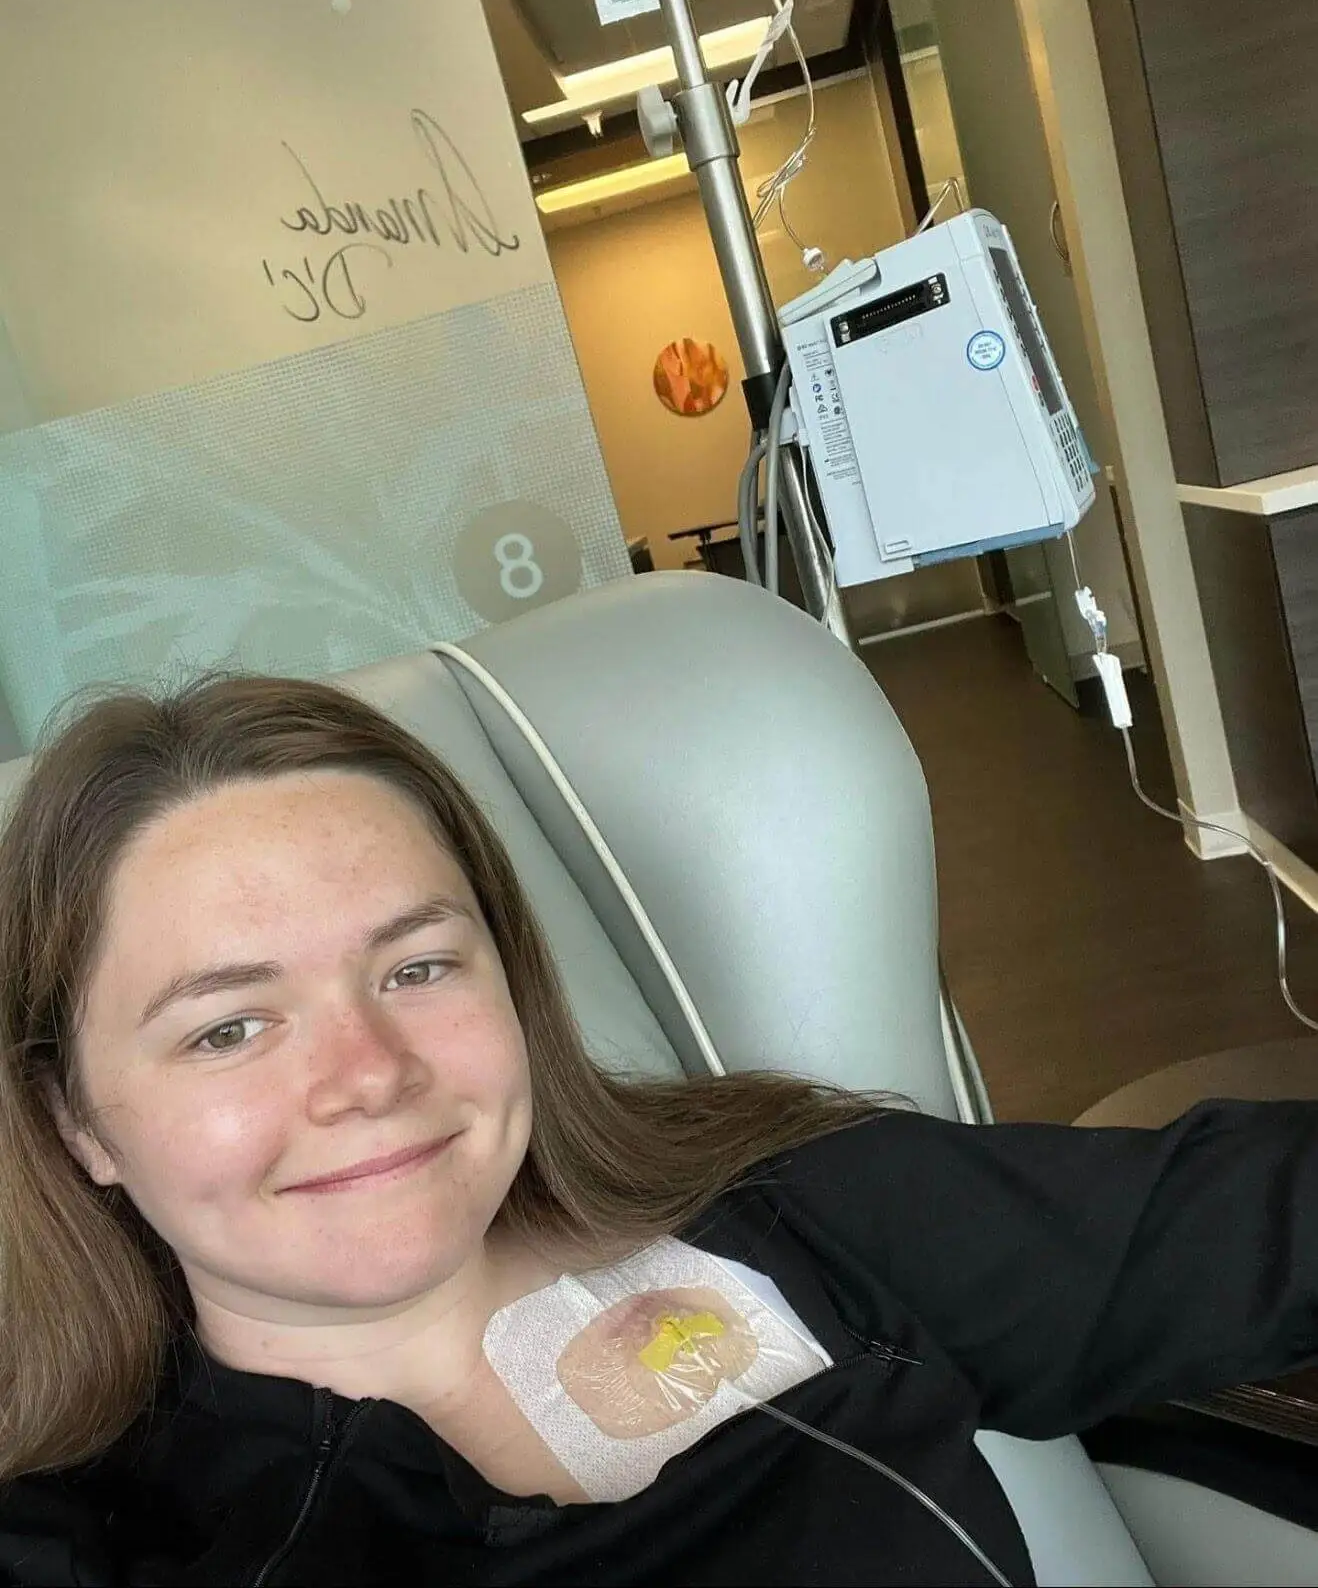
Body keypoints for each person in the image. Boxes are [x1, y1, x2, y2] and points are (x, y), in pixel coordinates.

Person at [0, 672, 1317, 1588]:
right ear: (77, 1123)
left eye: (417, 967)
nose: (368, 1076)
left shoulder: (796, 1214)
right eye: (228, 1028)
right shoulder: (88, 1537)